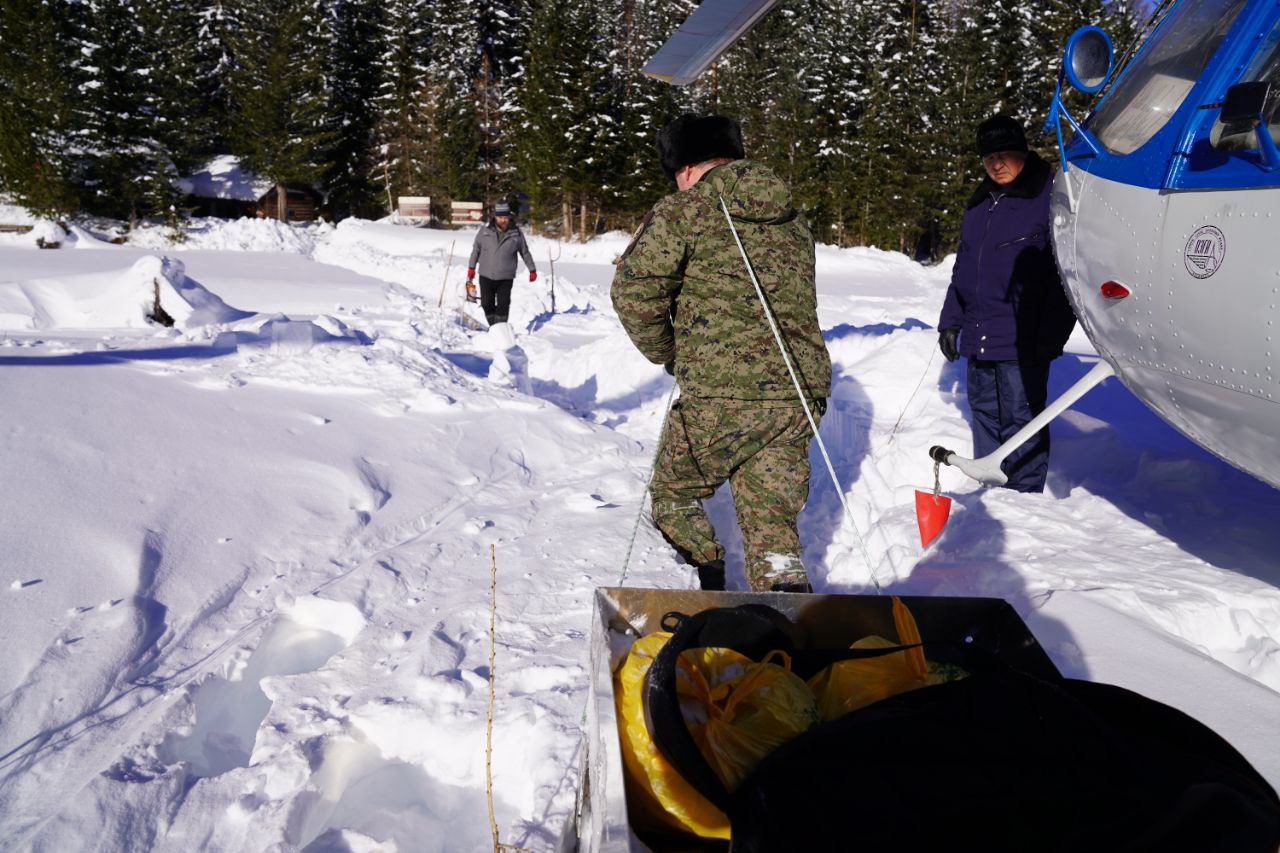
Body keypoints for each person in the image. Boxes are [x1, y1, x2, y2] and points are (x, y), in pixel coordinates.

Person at [611, 114, 831, 592]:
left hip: (721, 395)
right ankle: (787, 623)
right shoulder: (792, 220)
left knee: (675, 494)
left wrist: (668, 352)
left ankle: (701, 590)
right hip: (798, 396)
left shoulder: (683, 212)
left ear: (686, 167)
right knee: (772, 523)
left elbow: (633, 293)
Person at [937, 114, 1077, 493]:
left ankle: (1024, 494)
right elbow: (964, 268)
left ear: (1023, 152)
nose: (996, 164)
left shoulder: (1049, 195)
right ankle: (993, 485)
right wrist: (950, 322)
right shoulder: (980, 203)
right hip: (981, 333)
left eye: (1005, 155)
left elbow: (1065, 273)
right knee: (983, 411)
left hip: (1023, 336)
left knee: (1021, 416)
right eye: (988, 157)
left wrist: (1050, 335)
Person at [467, 201, 536, 327]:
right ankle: (495, 328)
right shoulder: (484, 231)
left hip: (506, 276)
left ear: (509, 217)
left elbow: (525, 252)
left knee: (503, 304)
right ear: (495, 217)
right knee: (486, 304)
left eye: (505, 217)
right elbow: (476, 250)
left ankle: (500, 329)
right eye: (500, 217)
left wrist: (532, 270)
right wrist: (471, 267)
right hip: (486, 275)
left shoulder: (516, 233)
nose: (503, 220)